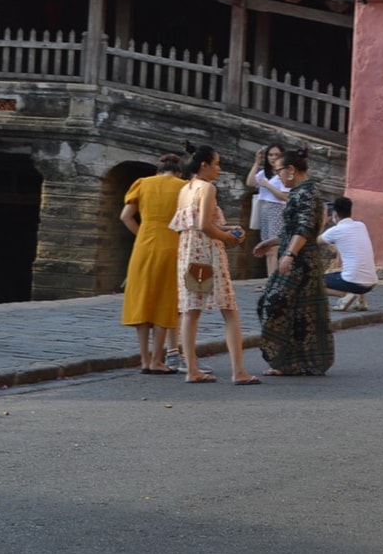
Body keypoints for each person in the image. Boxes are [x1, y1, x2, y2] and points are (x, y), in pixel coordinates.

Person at [171, 144, 256, 385]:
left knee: (191, 312)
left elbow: (194, 224)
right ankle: (238, 371)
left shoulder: (185, 189)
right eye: (216, 164)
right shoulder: (207, 188)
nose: (219, 169)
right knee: (229, 310)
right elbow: (206, 226)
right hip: (208, 254)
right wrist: (230, 238)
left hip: (189, 253)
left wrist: (227, 229)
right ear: (204, 165)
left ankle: (192, 369)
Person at [254, 145, 334, 375]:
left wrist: (290, 253)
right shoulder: (299, 192)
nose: (278, 176)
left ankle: (294, 361)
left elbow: (305, 227)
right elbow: (292, 229)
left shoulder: (307, 192)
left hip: (301, 261)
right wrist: (272, 242)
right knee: (290, 310)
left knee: (279, 305)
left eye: (279, 171)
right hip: (294, 254)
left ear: (291, 170)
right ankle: (288, 362)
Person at [120, 150, 187, 373]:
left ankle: (144, 359)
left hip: (144, 244)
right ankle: (158, 360)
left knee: (143, 297)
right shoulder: (183, 187)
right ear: (178, 172)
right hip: (171, 244)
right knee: (165, 300)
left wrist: (142, 233)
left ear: (159, 170)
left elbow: (125, 216)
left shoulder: (143, 183)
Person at [319, 194, 378, 311]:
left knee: (314, 282)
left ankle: (345, 296)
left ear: (335, 214)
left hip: (353, 282)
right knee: (353, 268)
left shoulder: (335, 231)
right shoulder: (361, 226)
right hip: (371, 282)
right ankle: (361, 301)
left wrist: (323, 222)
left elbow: (314, 241)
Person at [247, 144, 289, 271]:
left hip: (276, 209)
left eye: (276, 155)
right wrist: (257, 162)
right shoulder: (263, 173)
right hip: (264, 209)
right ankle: (269, 280)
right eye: (270, 155)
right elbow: (250, 182)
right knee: (266, 247)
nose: (273, 158)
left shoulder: (283, 174)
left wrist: (267, 185)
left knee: (273, 247)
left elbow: (285, 196)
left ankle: (273, 280)